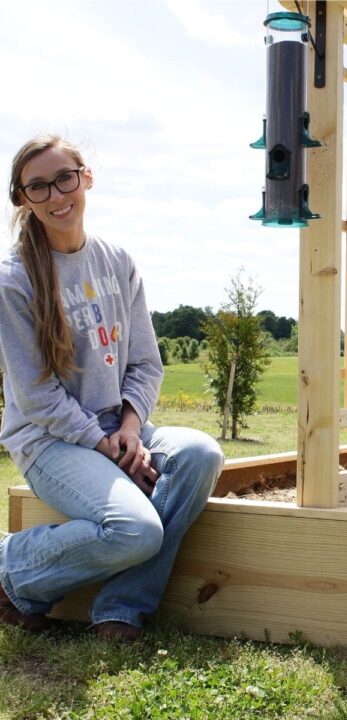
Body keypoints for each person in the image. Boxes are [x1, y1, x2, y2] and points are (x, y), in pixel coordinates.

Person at [0, 134, 224, 641]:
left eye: (65, 179)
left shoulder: (117, 261)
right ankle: (10, 565)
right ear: (22, 199)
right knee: (134, 530)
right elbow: (36, 399)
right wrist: (105, 444)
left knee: (201, 454)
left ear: (86, 179)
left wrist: (128, 427)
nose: (57, 196)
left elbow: (145, 362)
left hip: (118, 426)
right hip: (49, 441)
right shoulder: (13, 282)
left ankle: (121, 604)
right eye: (39, 187)